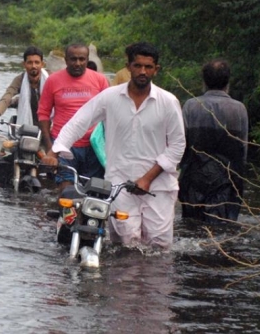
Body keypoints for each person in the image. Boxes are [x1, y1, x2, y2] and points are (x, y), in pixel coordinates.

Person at [45, 42, 185, 250]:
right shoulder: (110, 97)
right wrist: (55, 151)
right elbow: (79, 122)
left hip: (159, 187)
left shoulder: (168, 102)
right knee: (125, 246)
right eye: (137, 66)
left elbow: (177, 145)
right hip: (120, 185)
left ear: (156, 69)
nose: (142, 72)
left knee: (159, 248)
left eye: (148, 67)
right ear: (128, 66)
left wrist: (147, 179)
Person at [179, 58, 249, 224]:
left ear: (204, 81)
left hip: (194, 179)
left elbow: (181, 145)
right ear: (227, 82)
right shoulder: (239, 109)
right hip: (227, 180)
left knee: (192, 227)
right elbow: (242, 150)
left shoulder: (190, 106)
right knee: (223, 229)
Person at [39, 43, 110, 190]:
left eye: (82, 59)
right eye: (73, 59)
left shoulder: (100, 80)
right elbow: (43, 114)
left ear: (87, 59)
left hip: (94, 146)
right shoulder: (53, 80)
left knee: (95, 191)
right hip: (64, 146)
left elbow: (109, 114)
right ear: (66, 59)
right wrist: (50, 148)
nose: (77, 63)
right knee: (67, 190)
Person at [0, 46, 49, 127]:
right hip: (28, 125)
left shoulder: (51, 78)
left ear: (42, 64)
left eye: (37, 62)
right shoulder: (19, 80)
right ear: (24, 64)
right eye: (30, 62)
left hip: (50, 124)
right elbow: (6, 97)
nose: (33, 66)